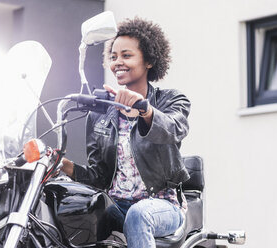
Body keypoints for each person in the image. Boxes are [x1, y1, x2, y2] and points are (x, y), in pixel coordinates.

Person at [60, 16, 191, 248]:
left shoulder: (171, 100)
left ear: (149, 60)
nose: (118, 62)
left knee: (139, 214)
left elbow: (173, 128)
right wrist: (64, 165)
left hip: (162, 205)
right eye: (113, 57)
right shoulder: (100, 113)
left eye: (126, 55)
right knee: (74, 211)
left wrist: (145, 109)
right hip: (118, 205)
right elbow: (99, 177)